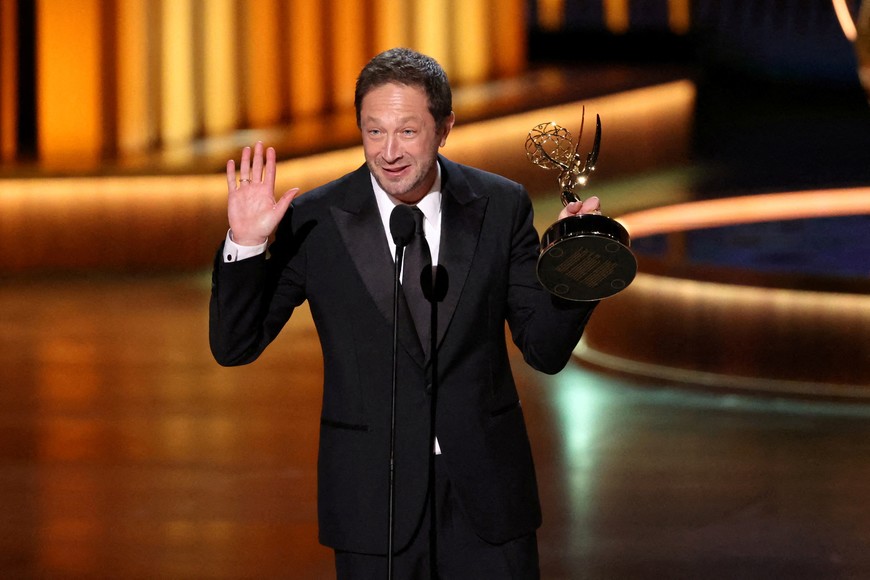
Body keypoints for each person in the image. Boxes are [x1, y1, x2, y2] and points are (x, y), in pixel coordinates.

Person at [210, 47, 601, 579]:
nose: (389, 152)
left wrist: (577, 269)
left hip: (486, 499)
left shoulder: (500, 205)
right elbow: (234, 345)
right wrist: (246, 244)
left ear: (445, 128)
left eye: (408, 132)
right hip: (374, 502)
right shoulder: (315, 220)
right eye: (374, 132)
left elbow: (545, 349)